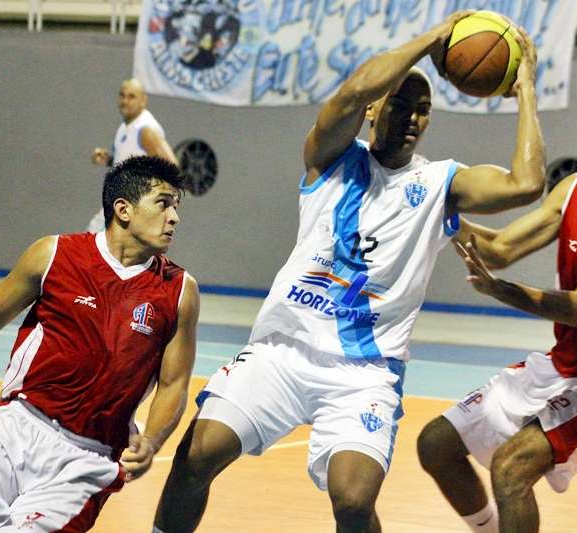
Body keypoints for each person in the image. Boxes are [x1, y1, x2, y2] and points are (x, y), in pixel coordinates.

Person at [154, 13, 544, 533]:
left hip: (365, 372)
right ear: (372, 110)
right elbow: (352, 91)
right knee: (198, 454)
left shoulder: (439, 182)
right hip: (283, 350)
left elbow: (525, 183)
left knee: (354, 499)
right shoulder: (331, 156)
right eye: (400, 104)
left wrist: (525, 89)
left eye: (423, 110)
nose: (411, 117)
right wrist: (434, 37)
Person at [0, 156, 199, 533]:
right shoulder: (54, 255)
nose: (174, 217)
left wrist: (153, 441)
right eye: (163, 203)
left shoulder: (179, 291)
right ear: (123, 210)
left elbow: (174, 383)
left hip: (88, 460)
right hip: (17, 429)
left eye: (176, 206)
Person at [417, 105, 577, 533]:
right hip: (562, 364)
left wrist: (502, 290)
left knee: (511, 469)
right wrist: (433, 205)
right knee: (435, 445)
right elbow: (499, 249)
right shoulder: (573, 188)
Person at [88, 79, 177, 232]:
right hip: (117, 208)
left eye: (131, 96)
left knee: (88, 247)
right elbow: (132, 163)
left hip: (132, 213)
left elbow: (172, 169)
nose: (125, 101)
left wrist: (155, 208)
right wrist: (109, 159)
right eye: (122, 95)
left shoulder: (146, 130)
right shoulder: (125, 127)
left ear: (143, 100)